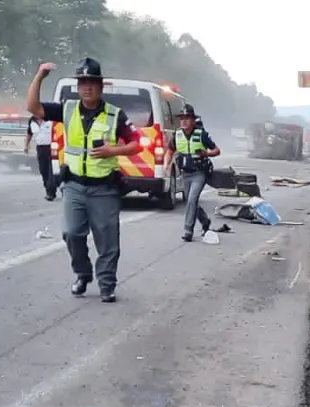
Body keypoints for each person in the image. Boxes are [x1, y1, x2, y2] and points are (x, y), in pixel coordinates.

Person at [25, 58, 142, 303]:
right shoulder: (67, 109)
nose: (87, 87)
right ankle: (82, 273)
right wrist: (40, 76)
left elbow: (136, 144)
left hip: (104, 189)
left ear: (100, 86)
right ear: (78, 87)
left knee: (107, 241)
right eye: (83, 83)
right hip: (74, 187)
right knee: (71, 233)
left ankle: (107, 285)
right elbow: (33, 107)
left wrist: (114, 151)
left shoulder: (115, 115)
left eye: (92, 83)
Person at [170, 104, 220, 242]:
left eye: (187, 118)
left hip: (199, 173)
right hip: (185, 174)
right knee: (191, 202)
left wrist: (207, 153)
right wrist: (167, 165)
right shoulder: (177, 134)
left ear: (193, 120)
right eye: (182, 118)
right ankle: (205, 222)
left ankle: (188, 231)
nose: (184, 121)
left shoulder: (201, 134)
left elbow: (216, 150)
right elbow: (170, 150)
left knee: (191, 199)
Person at [25, 115, 57, 200]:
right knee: (43, 170)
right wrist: (26, 145)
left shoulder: (50, 120)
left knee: (52, 170)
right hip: (40, 148)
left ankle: (51, 192)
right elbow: (29, 133)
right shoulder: (32, 121)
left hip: (52, 147)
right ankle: (48, 188)